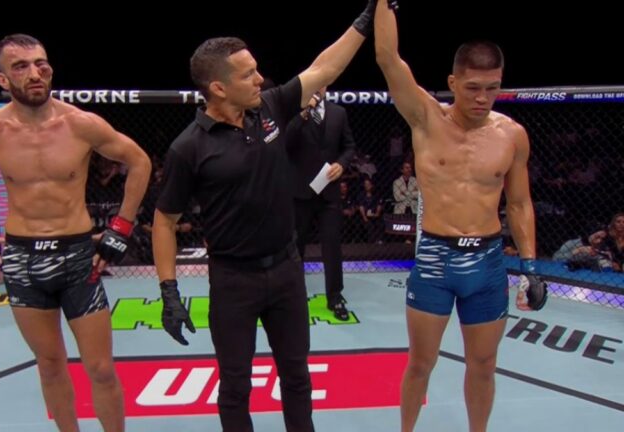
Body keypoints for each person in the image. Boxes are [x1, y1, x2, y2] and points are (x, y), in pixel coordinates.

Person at [151, 3, 386, 430]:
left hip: (286, 269)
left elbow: (324, 69)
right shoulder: (189, 148)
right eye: (248, 75)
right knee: (235, 387)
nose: (260, 79)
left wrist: (365, 18)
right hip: (232, 281)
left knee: (297, 377)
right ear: (218, 88)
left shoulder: (270, 108)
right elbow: (165, 221)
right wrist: (169, 292)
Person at [0, 34, 151, 432]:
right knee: (49, 365)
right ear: (3, 79)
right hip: (23, 259)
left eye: (41, 63)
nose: (35, 73)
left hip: (78, 257)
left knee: (101, 368)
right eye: (21, 66)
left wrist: (121, 227)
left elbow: (138, 161)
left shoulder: (80, 123)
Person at [373, 2, 548, 431]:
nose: (482, 98)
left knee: (484, 364)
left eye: (492, 88)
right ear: (453, 82)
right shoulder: (425, 117)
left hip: (487, 262)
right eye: (472, 88)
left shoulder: (512, 135)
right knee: (421, 363)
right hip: (435, 259)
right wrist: (382, 4)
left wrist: (530, 268)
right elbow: (387, 58)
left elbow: (520, 204)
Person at [287, 87, 356, 321]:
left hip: (329, 191)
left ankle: (335, 296)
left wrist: (342, 164)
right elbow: (286, 140)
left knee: (332, 246)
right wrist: (304, 112)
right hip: (300, 191)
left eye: (323, 84)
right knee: (296, 247)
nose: (319, 88)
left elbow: (349, 146)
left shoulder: (338, 113)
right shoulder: (295, 111)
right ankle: (293, 296)